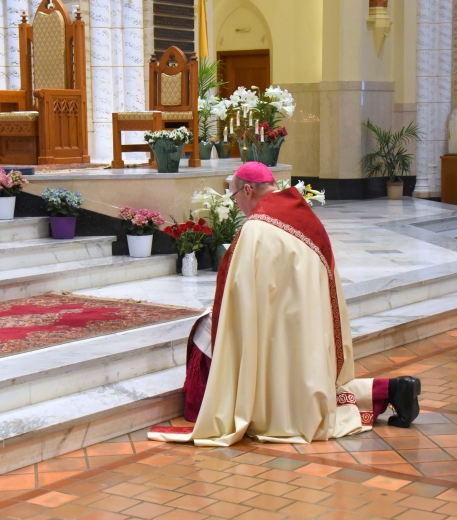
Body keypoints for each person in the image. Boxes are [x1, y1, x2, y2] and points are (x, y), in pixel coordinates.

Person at [149, 162, 421, 446]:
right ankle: (392, 389)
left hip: (279, 331)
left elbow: (239, 291)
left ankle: (214, 408)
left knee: (205, 329)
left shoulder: (257, 227)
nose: (237, 204)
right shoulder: (303, 214)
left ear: (249, 190)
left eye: (235, 197)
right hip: (311, 326)